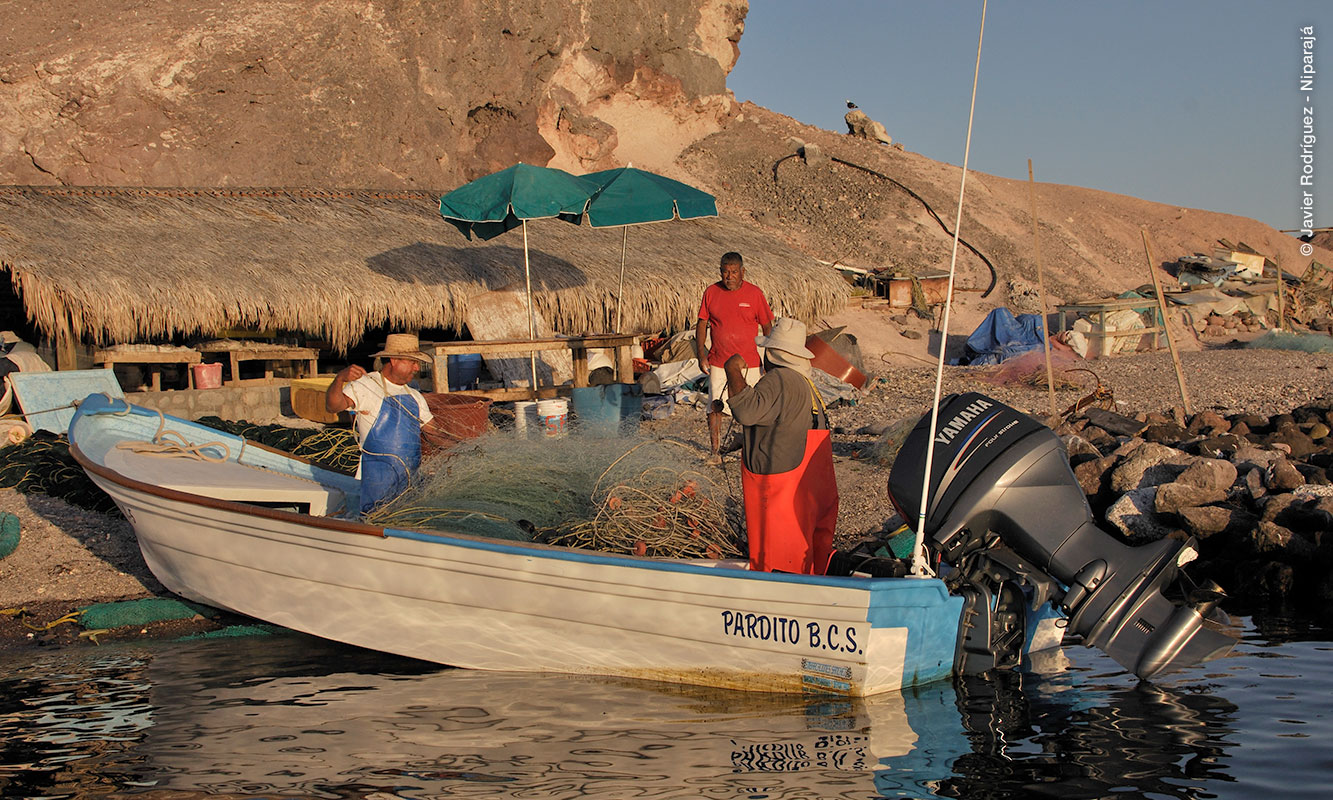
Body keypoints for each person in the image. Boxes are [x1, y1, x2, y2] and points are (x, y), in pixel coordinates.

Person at [723, 318, 838, 575]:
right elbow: (785, 424)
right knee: (809, 559)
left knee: (778, 563)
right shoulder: (805, 383)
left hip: (781, 490)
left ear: (771, 353)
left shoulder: (779, 378)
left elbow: (747, 412)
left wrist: (732, 370)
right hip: (811, 490)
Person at [326, 332, 435, 516]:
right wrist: (339, 379)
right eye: (412, 361)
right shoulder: (366, 385)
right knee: (377, 518)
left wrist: (463, 448)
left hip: (409, 482)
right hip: (377, 482)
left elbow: (433, 432)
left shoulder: (415, 396)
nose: (417, 367)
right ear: (393, 360)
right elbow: (333, 406)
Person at [695, 252, 773, 459]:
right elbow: (702, 323)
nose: (729, 276)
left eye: (734, 272)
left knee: (756, 406)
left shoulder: (755, 294)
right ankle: (715, 450)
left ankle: (755, 448)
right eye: (725, 272)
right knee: (715, 406)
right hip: (718, 361)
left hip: (750, 363)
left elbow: (767, 326)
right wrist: (701, 353)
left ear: (742, 272)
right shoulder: (711, 292)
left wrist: (770, 358)